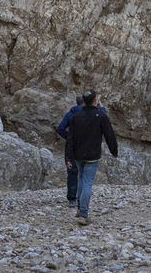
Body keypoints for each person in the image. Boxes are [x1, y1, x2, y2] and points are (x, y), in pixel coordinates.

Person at [63, 90, 117, 225]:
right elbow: (109, 134)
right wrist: (114, 151)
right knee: (87, 182)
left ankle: (80, 208)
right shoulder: (101, 115)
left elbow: (70, 138)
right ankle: (83, 213)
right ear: (95, 101)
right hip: (92, 154)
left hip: (78, 154)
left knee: (81, 179)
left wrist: (69, 157)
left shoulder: (77, 116)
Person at [54, 93, 106, 207]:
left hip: (72, 147)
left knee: (73, 172)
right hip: (89, 147)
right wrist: (100, 106)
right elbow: (103, 116)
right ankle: (82, 203)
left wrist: (70, 138)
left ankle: (72, 199)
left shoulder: (71, 114)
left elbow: (60, 128)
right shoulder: (92, 113)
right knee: (85, 176)